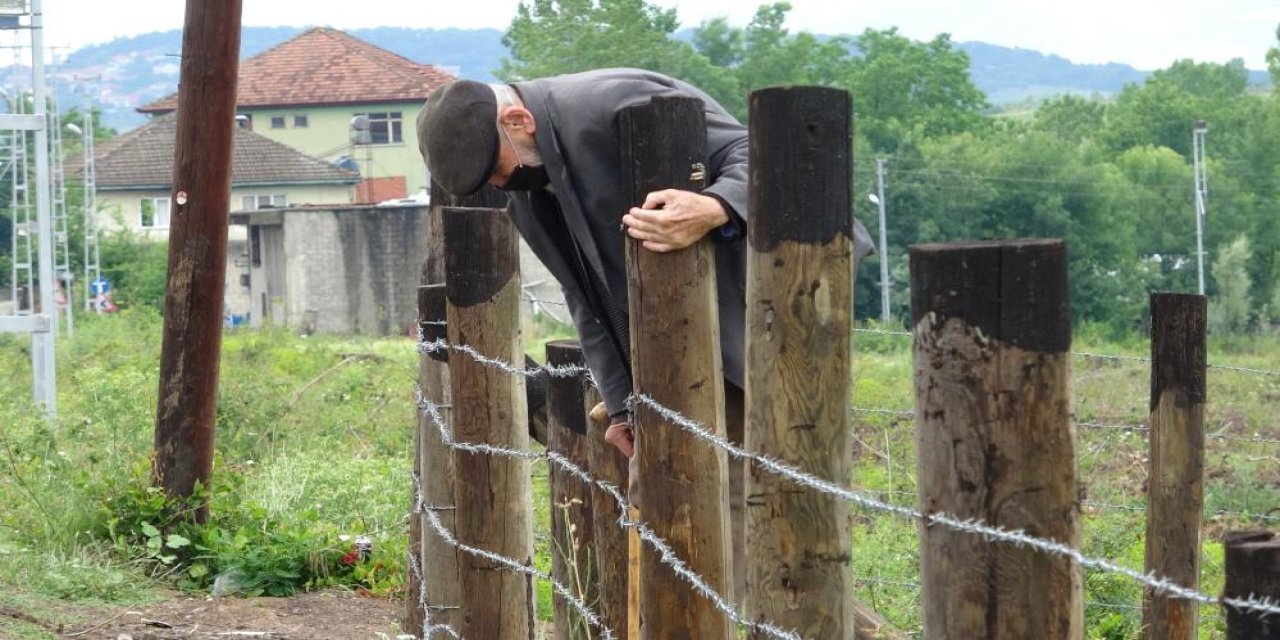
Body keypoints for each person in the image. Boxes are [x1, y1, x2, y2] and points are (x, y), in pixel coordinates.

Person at [417, 68, 873, 598]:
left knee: (755, 540)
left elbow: (786, 156)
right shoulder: (529, 185)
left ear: (518, 120)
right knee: (673, 525)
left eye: (496, 169)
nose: (501, 185)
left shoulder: (618, 102)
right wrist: (621, 407)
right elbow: (584, 296)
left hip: (772, 327)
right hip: (675, 358)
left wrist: (715, 206)